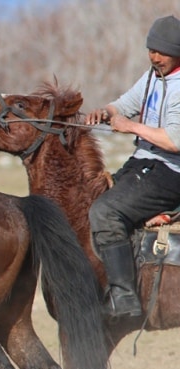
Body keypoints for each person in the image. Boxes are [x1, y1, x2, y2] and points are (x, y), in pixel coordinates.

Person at [85, 14, 180, 319]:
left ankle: (124, 297)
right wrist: (106, 111)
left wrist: (130, 127)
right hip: (144, 163)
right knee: (91, 195)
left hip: (170, 172)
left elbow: (174, 141)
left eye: (161, 52)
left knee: (105, 211)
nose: (154, 57)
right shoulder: (153, 75)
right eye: (151, 50)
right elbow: (126, 103)